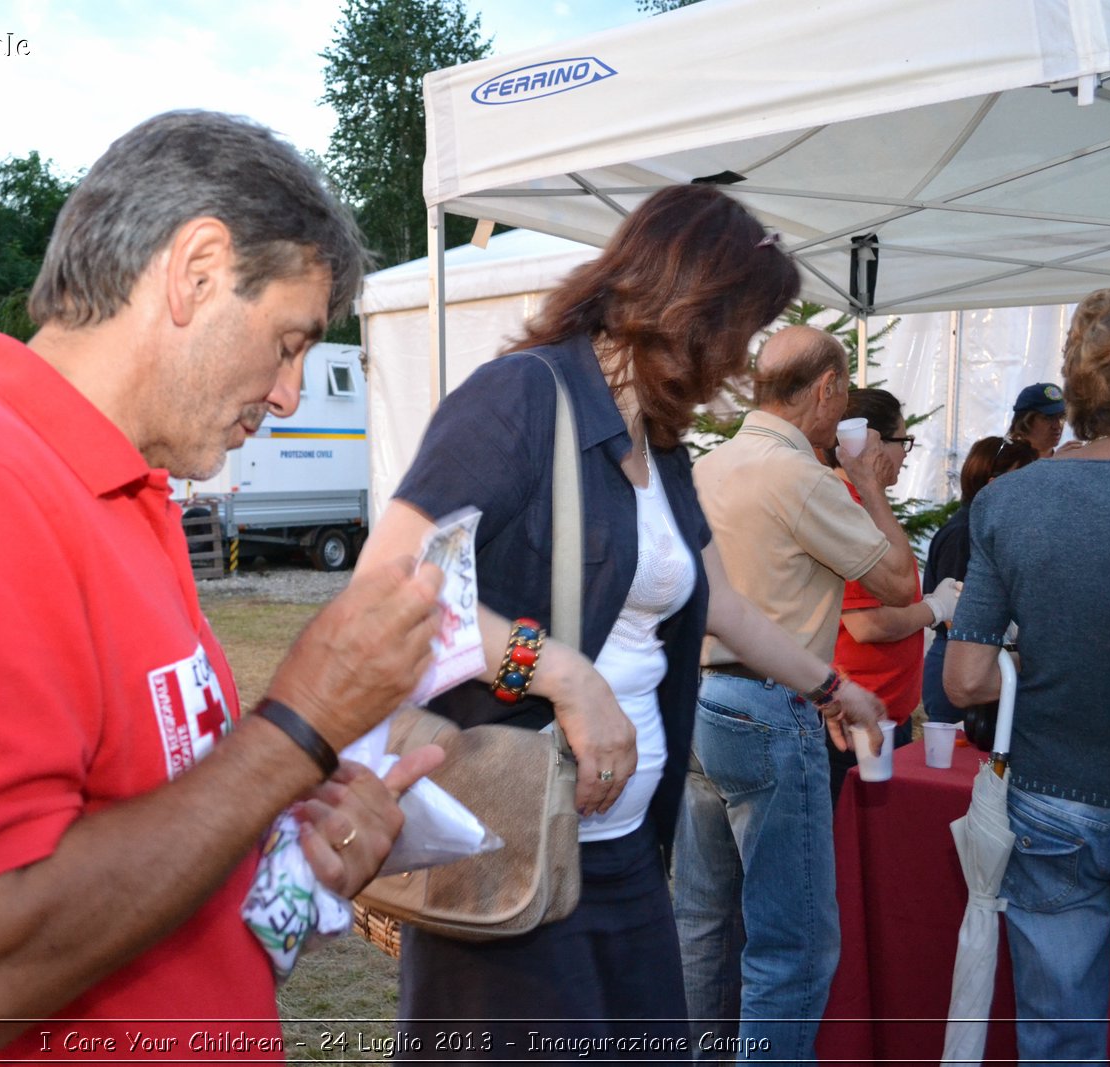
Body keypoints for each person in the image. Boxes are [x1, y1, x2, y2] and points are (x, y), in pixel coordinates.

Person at [0, 111, 448, 1060]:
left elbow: (140, 837)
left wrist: (294, 852)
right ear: (195, 271)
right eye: (286, 341)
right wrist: (299, 726)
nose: (288, 394)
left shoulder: (127, 493)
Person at [356, 186, 886, 1058]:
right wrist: (560, 672)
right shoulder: (520, 398)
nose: (746, 360)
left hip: (627, 853)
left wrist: (833, 689)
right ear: (692, 310)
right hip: (512, 848)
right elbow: (395, 584)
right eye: (742, 330)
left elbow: (721, 604)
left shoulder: (663, 443)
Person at [945, 279, 1110, 1064]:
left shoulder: (1010, 500)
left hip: (1049, 803)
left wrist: (1039, 662)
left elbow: (963, 680)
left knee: (1058, 1039)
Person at [676, 325, 919, 1064]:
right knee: (794, 943)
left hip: (698, 699)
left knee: (705, 927)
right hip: (771, 706)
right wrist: (869, 483)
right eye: (842, 393)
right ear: (825, 393)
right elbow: (899, 581)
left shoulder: (706, 467)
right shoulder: (802, 476)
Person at [820, 388, 958, 803]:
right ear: (871, 442)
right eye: (903, 441)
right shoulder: (850, 508)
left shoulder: (864, 502)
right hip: (855, 715)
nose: (907, 454)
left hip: (875, 712)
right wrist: (934, 608)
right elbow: (864, 624)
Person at [919, 434, 1036, 725]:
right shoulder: (963, 533)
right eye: (1023, 479)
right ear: (993, 482)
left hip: (984, 663)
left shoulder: (987, 529)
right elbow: (954, 615)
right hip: (961, 663)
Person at [1006, 380, 1066, 457]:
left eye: (1062, 417)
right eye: (1048, 418)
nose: (1057, 426)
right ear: (1024, 423)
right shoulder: (1005, 463)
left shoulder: (1067, 461)